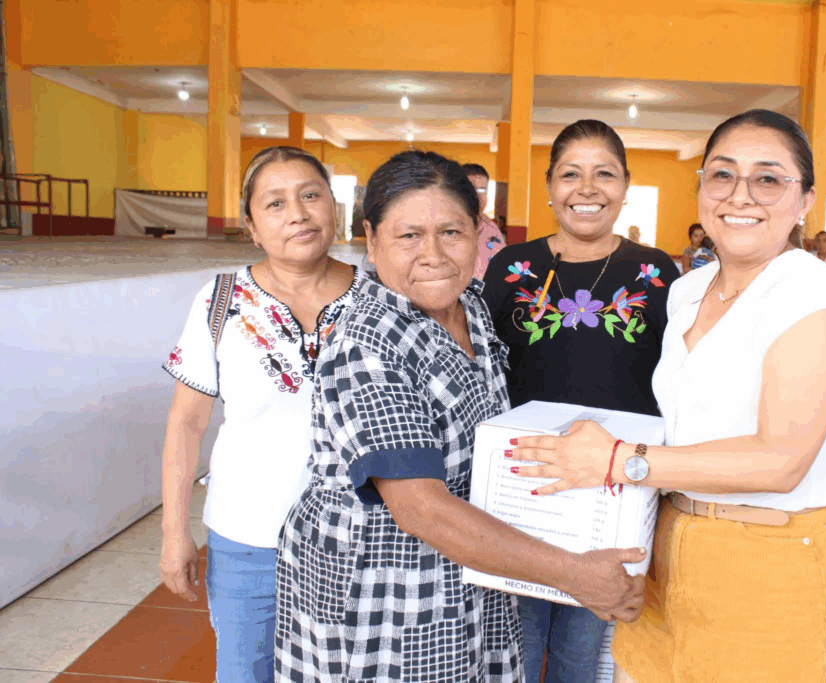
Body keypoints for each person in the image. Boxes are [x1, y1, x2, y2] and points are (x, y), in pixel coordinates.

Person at [510, 110, 826, 682]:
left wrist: (615, 461)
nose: (740, 195)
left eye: (768, 178)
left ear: (805, 200)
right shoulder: (689, 290)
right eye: (722, 174)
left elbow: (780, 461)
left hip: (768, 556)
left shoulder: (814, 297)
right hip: (667, 544)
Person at [275, 150, 645, 682]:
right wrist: (572, 574)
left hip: (475, 568)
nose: (433, 255)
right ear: (371, 238)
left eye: (451, 232)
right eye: (408, 236)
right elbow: (420, 508)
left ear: (477, 231)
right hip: (386, 595)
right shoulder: (365, 342)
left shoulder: (471, 305)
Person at [482, 119, 679, 683]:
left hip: (611, 491)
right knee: (515, 647)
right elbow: (485, 369)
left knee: (580, 650)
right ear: (549, 186)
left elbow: (673, 380)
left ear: (625, 186)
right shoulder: (512, 267)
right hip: (523, 483)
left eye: (604, 174)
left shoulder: (655, 271)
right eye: (571, 174)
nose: (587, 189)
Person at [158, 146, 362, 682]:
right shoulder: (220, 300)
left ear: (333, 207)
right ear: (251, 226)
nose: (297, 213)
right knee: (246, 672)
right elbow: (186, 424)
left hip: (361, 539)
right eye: (275, 203)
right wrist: (175, 531)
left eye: (310, 195)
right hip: (248, 539)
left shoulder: (377, 296)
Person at [463, 163, 507, 280]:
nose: (478, 196)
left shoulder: (491, 229)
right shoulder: (443, 225)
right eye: (471, 189)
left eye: (482, 189)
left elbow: (502, 268)